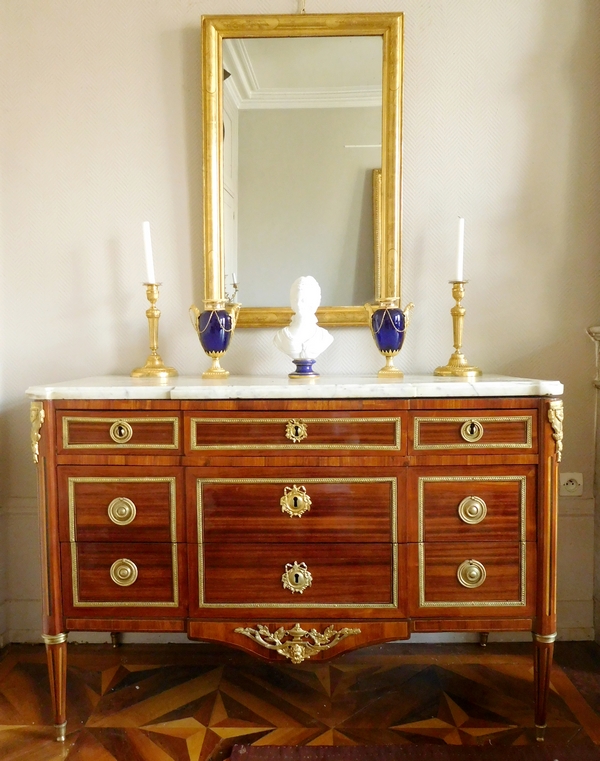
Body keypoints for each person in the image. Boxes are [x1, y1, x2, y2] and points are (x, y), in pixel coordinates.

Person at [273, 276, 333, 360]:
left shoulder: (324, 337)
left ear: (315, 301)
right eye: (295, 300)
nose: (298, 304)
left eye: (303, 300)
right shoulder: (281, 336)